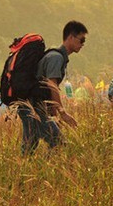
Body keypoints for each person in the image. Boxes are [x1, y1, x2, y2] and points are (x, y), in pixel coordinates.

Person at [20, 21, 87, 156]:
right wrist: (62, 113)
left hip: (31, 105)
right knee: (59, 143)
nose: (83, 44)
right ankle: (42, 172)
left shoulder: (56, 56)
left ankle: (28, 171)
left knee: (30, 145)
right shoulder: (56, 58)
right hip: (33, 106)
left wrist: (53, 112)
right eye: (81, 40)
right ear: (70, 38)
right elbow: (52, 85)